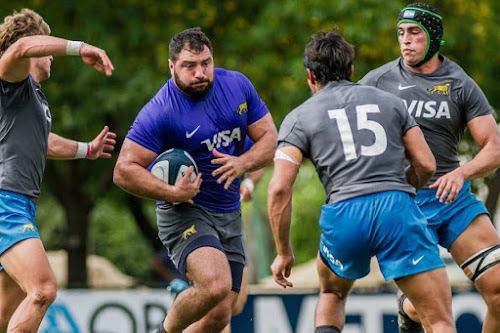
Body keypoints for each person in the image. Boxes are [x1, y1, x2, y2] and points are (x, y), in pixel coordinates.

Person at [267, 29, 456, 333]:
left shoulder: (299, 117)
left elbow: (278, 189)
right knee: (439, 319)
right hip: (396, 208)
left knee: (332, 293)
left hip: (344, 215)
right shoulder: (391, 102)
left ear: (310, 76)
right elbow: (426, 164)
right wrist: (401, 190)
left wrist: (283, 252)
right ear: (352, 70)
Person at [113, 27, 277, 333]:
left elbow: (269, 139)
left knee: (222, 314)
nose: (200, 72)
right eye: (190, 66)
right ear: (172, 66)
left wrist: (243, 163)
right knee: (215, 285)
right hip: (184, 211)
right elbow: (123, 170)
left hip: (229, 211)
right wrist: (171, 191)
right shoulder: (160, 111)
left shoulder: (237, 86)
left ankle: (184, 299)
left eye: (206, 63)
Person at [359, 3, 500, 332]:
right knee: (436, 309)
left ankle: (410, 306)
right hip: (403, 204)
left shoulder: (459, 83)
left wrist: (463, 172)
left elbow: (494, 148)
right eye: (401, 33)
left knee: (498, 291)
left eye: (414, 33)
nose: (405, 40)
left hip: (453, 199)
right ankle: (410, 308)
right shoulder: (377, 81)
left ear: (434, 38)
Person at [0, 8, 115, 333]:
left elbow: (44, 142)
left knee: (5, 317)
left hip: (17, 204)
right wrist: (81, 47)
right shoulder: (10, 79)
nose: (52, 56)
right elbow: (21, 50)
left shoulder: (32, 95)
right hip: (6, 204)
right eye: (47, 47)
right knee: (44, 290)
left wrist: (86, 150)